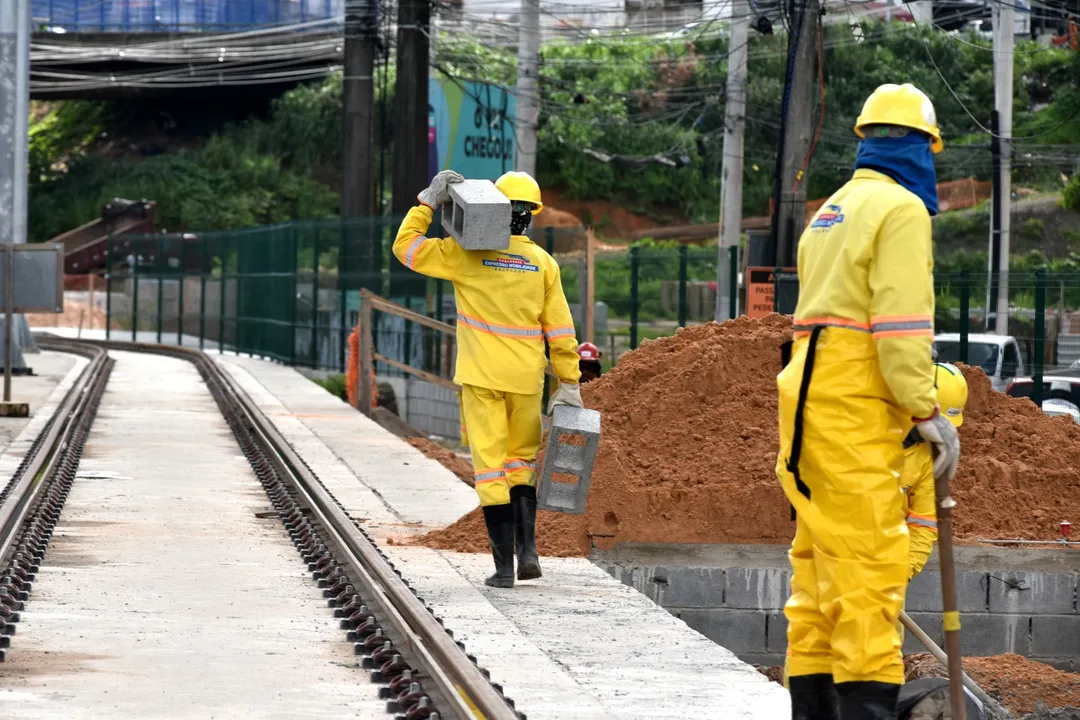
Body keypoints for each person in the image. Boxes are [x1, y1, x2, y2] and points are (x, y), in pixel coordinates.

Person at [775, 83, 961, 720]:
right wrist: (927, 412)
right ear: (920, 148)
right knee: (867, 580)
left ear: (868, 140)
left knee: (817, 577)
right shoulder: (900, 210)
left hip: (807, 412)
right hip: (855, 413)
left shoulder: (830, 210)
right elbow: (901, 330)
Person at [392, 169, 583, 589]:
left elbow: (404, 248)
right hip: (526, 381)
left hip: (481, 379)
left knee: (490, 470)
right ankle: (529, 549)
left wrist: (426, 201)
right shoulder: (543, 264)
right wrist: (569, 383)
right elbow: (562, 332)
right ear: (530, 215)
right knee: (520, 464)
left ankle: (503, 568)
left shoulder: (465, 255)